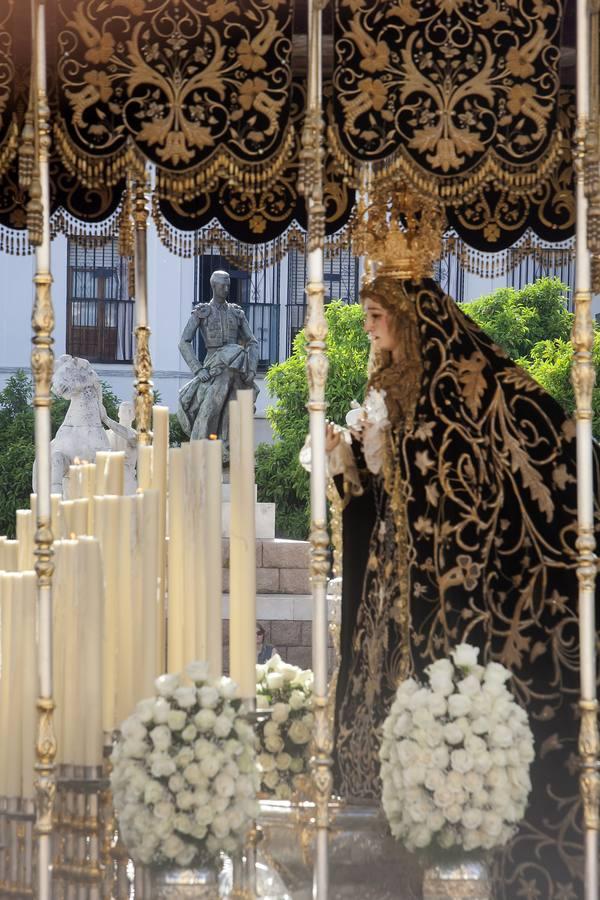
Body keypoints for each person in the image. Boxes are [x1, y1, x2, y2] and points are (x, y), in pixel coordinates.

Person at [322, 272, 596, 900]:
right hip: (394, 575)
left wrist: (390, 453)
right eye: (365, 316)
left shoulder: (451, 386)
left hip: (442, 583)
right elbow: (384, 491)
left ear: (408, 317)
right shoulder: (384, 382)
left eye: (375, 316)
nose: (368, 328)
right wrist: (352, 460)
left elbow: (454, 479)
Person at [177, 270, 259, 460]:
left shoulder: (236, 313)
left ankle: (226, 450)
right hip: (214, 366)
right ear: (214, 286)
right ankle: (201, 451)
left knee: (233, 412)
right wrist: (198, 369)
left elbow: (252, 342)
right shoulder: (202, 312)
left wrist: (252, 369)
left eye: (228, 285)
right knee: (210, 408)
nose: (227, 288)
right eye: (223, 285)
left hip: (237, 367)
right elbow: (183, 342)